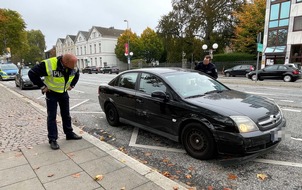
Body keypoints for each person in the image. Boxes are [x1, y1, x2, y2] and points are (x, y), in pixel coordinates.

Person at [28, 54, 82, 150]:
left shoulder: (73, 65)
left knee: (66, 114)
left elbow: (77, 74)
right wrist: (42, 86)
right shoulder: (49, 64)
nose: (75, 66)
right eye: (72, 64)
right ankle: (53, 139)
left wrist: (72, 85)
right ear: (65, 62)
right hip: (51, 93)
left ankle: (69, 133)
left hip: (63, 92)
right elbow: (32, 73)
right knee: (52, 117)